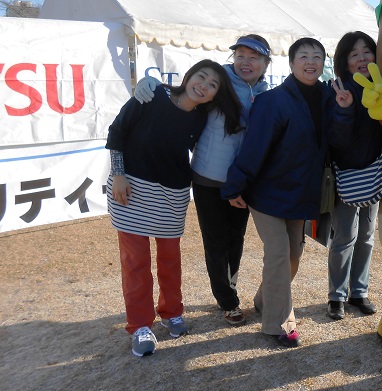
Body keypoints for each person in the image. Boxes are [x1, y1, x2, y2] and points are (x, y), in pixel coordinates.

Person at [220, 37, 353, 348]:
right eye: (303, 55)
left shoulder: (329, 97)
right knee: (279, 251)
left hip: (300, 192)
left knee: (293, 255)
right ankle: (280, 323)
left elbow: (338, 138)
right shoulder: (273, 101)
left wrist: (345, 110)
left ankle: (265, 300)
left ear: (324, 63)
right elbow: (254, 149)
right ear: (291, 64)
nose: (311, 60)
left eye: (317, 56)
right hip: (266, 192)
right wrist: (235, 185)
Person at [134, 35, 272, 327]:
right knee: (215, 241)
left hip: (243, 181)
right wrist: (152, 85)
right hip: (209, 177)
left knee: (236, 240)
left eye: (254, 57)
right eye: (241, 55)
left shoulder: (264, 93)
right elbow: (185, 95)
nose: (246, 62)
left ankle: (228, 289)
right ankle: (228, 300)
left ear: (265, 64)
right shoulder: (219, 84)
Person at [107, 59, 241, 357]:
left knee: (170, 260)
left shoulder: (203, 116)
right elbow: (117, 131)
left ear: (214, 95)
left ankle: (171, 312)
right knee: (136, 262)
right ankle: (141, 325)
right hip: (131, 187)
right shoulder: (151, 95)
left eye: (212, 85)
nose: (203, 86)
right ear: (189, 75)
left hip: (173, 192)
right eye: (201, 77)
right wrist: (118, 174)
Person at [326, 31, 382, 320]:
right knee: (345, 237)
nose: (362, 58)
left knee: (367, 237)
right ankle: (336, 296)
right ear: (344, 61)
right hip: (347, 174)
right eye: (354, 54)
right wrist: (344, 109)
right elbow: (336, 139)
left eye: (367, 52)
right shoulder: (336, 88)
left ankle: (359, 292)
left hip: (376, 170)